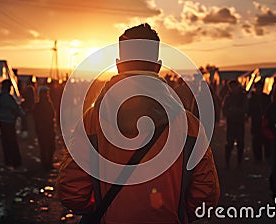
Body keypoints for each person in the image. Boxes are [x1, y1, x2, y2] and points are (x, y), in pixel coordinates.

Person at [57, 23, 220, 224]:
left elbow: (72, 192)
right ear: (158, 66)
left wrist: (103, 209)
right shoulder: (189, 126)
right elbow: (205, 194)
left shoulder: (92, 121)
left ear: (118, 64)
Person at [0, 79, 24, 171]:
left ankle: (8, 161)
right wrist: (23, 115)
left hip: (2, 121)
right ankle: (16, 162)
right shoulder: (8, 97)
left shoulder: (1, 96)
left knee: (5, 142)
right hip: (9, 122)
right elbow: (15, 108)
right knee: (12, 142)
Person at [222, 79, 247, 168]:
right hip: (231, 123)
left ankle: (239, 163)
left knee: (240, 143)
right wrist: (231, 112)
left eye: (234, 87)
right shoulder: (228, 98)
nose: (233, 89)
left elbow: (245, 109)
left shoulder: (243, 97)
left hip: (239, 123)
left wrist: (234, 110)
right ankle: (227, 163)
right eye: (231, 87)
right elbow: (225, 110)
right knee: (229, 143)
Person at [33, 86, 56, 170]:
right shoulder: (40, 105)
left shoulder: (46, 104)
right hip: (45, 129)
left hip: (47, 128)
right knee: (46, 147)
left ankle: (47, 163)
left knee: (49, 147)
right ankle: (46, 164)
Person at [248, 81, 271, 162]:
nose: (259, 89)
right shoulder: (252, 99)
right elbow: (249, 110)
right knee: (256, 141)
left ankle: (268, 156)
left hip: (265, 122)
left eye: (260, 87)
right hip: (256, 122)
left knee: (267, 140)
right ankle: (258, 158)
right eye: (257, 87)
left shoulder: (266, 98)